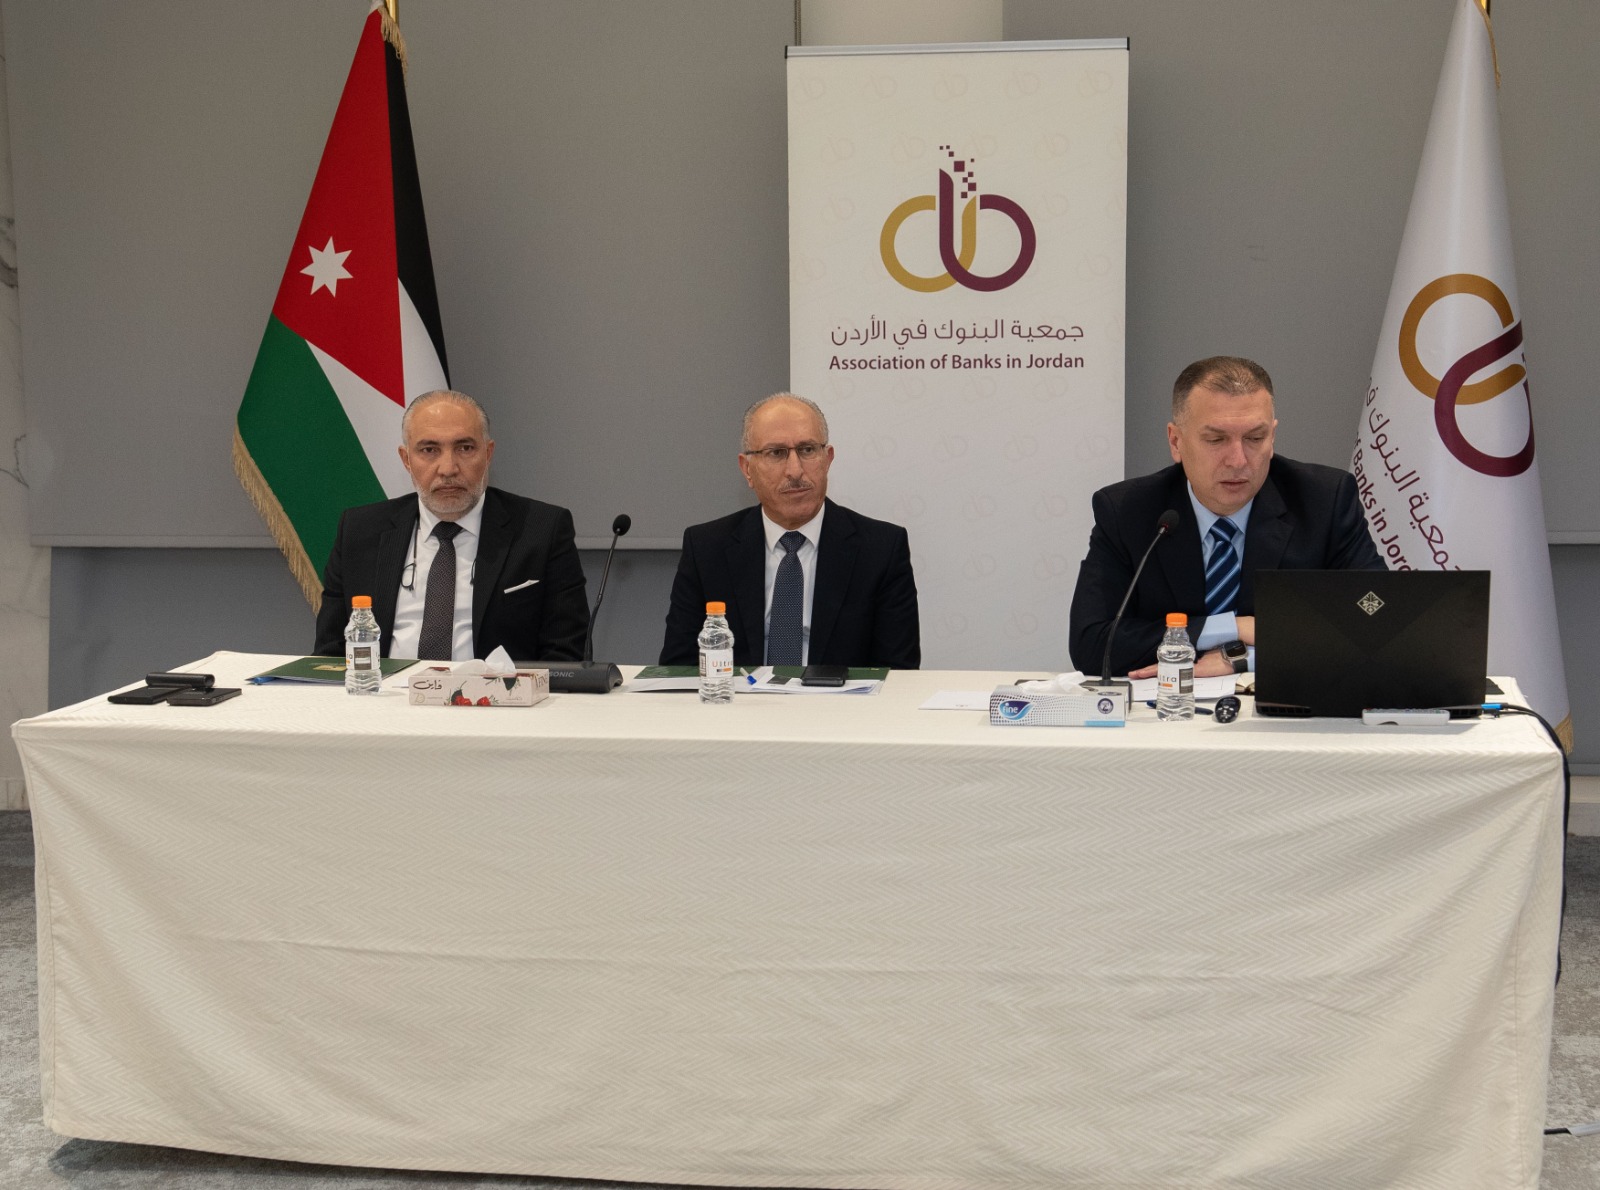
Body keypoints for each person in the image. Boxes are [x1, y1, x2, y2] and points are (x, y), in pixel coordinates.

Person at [1068, 356, 1383, 679]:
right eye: (1216, 440)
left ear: (1272, 437)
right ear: (1176, 441)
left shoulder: (1324, 501)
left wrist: (1246, 657)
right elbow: (1092, 644)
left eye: (1255, 438)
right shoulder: (1128, 511)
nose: (1238, 460)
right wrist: (1232, 627)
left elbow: (1378, 623)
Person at [313, 389, 589, 661]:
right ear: (406, 459)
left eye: (465, 448)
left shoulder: (542, 530)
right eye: (429, 450)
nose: (448, 468)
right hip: (384, 688)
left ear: (488, 453)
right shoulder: (360, 530)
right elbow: (330, 654)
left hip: (496, 690)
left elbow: (565, 655)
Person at [659, 393, 921, 669]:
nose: (795, 471)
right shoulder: (707, 549)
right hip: (739, 697)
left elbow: (898, 673)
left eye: (807, 450)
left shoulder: (880, 550)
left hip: (837, 697)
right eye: (776, 453)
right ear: (747, 469)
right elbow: (679, 667)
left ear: (827, 459)